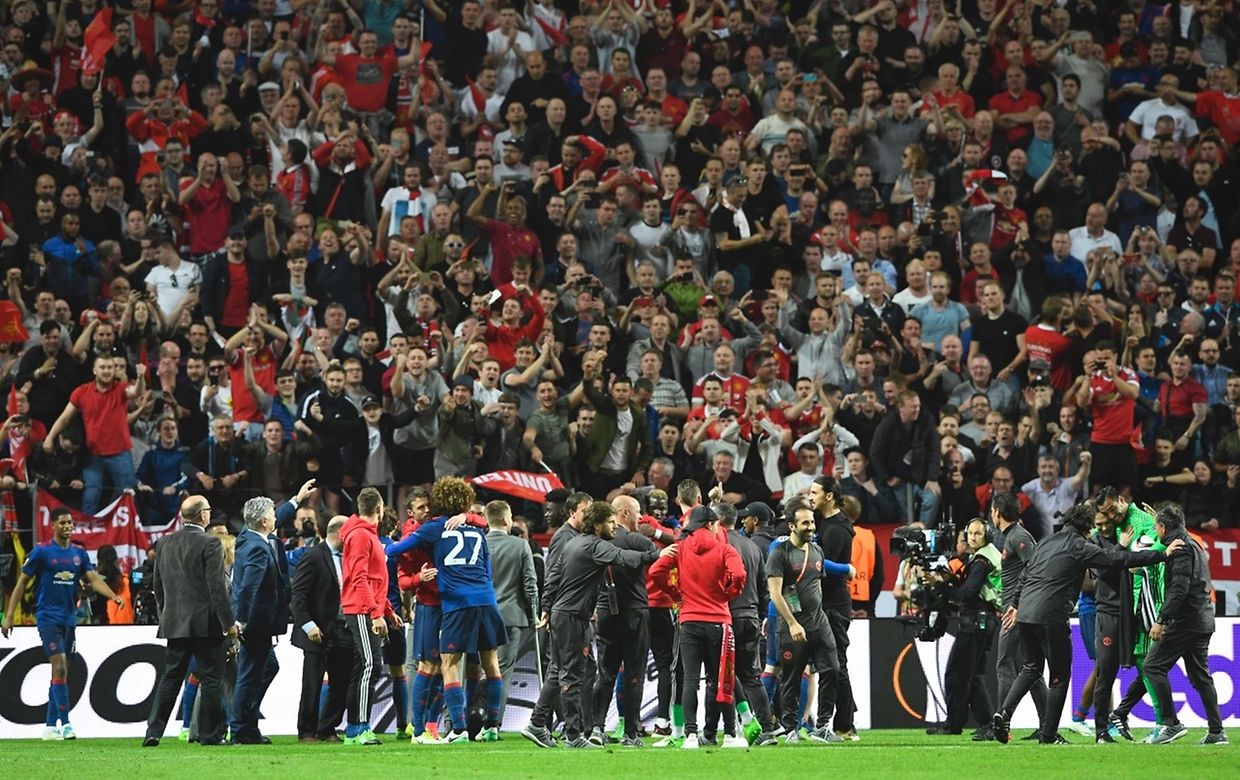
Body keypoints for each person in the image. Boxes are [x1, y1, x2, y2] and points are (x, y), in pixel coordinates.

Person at [992, 503, 1182, 745]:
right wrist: (1161, 554)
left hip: (1027, 613)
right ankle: (1048, 735)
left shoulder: (1047, 541)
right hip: (1051, 615)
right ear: (1088, 527)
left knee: (1030, 667)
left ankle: (1004, 712)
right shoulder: (1079, 546)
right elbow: (1117, 559)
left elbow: (1025, 573)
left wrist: (1016, 604)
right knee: (1059, 676)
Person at [385, 477, 507, 744]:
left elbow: (395, 550)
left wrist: (379, 545)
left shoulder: (433, 529)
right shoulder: (477, 531)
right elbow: (487, 572)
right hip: (486, 601)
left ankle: (459, 729)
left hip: (455, 603)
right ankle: (492, 727)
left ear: (439, 501)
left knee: (448, 664)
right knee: (491, 665)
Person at [2, 507, 124, 740]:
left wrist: (113, 596)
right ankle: (66, 723)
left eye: (70, 523)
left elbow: (93, 579)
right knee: (59, 667)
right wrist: (8, 616)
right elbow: (20, 584)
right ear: (53, 526)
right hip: (47, 617)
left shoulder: (79, 554)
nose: (68, 526)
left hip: (70, 618)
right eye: (63, 523)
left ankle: (49, 726)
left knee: (62, 671)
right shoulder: (42, 552)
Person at [135, 497, 235, 747]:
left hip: (175, 622)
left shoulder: (164, 543)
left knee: (170, 678)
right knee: (211, 679)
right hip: (206, 624)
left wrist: (167, 613)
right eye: (208, 511)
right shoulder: (210, 544)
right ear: (202, 516)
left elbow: (157, 586)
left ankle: (153, 731)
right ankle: (210, 735)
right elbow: (216, 587)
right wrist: (228, 622)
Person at [649, 504, 744, 749]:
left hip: (689, 619)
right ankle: (731, 735)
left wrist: (675, 594)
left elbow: (656, 571)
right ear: (711, 524)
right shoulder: (726, 549)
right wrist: (727, 594)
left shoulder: (679, 549)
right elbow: (739, 575)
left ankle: (690, 735)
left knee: (690, 680)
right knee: (721, 679)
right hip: (719, 621)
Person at [767, 501, 855, 744]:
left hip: (819, 623)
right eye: (805, 522)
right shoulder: (779, 554)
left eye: (812, 522)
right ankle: (790, 728)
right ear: (792, 526)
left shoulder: (817, 551)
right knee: (791, 678)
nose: (811, 527)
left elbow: (815, 587)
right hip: (793, 627)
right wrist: (793, 623)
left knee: (832, 671)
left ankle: (823, 726)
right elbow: (775, 593)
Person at [1144, 504, 1227, 745]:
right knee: (1201, 677)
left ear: (1163, 527)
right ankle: (1216, 732)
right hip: (1202, 619)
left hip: (1186, 621)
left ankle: (1171, 724)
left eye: (1157, 526)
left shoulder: (1179, 548)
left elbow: (1179, 588)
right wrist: (1159, 521)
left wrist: (1162, 620)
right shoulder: (1192, 542)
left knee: (1153, 666)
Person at [42, 355, 145, 514]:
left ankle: (127, 531)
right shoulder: (81, 392)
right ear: (94, 370)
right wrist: (50, 438)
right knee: (90, 497)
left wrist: (141, 377)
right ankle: (87, 534)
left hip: (121, 453)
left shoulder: (120, 388)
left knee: (128, 495)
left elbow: (136, 392)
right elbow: (64, 418)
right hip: (93, 456)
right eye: (102, 367)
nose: (106, 371)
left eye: (110, 368)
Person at [339, 486, 402, 746]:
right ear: (379, 509)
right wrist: (376, 613)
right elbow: (359, 578)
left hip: (369, 607)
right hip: (361, 609)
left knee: (364, 666)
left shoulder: (365, 535)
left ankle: (355, 727)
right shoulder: (362, 537)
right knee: (369, 665)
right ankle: (359, 727)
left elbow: (375, 580)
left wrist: (387, 610)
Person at [927, 518, 1001, 736]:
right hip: (986, 619)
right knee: (973, 675)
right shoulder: (990, 555)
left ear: (986, 535)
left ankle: (956, 724)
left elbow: (967, 594)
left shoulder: (980, 561)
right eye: (970, 533)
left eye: (978, 534)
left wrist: (940, 585)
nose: (972, 537)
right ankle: (986, 724)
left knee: (956, 674)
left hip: (975, 620)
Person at [229, 496, 290, 745]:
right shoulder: (256, 546)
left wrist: (296, 500)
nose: (276, 518)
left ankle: (248, 723)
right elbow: (248, 587)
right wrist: (241, 620)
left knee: (265, 668)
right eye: (273, 514)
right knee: (249, 674)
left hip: (258, 622)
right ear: (264, 521)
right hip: (256, 623)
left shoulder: (249, 538)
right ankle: (241, 728)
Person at [989, 493, 1047, 742]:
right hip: (1018, 612)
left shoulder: (1019, 536)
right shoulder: (1011, 536)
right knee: (1031, 670)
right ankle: (1047, 724)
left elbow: (1035, 568)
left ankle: (1002, 725)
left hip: (1017, 615)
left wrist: (1019, 607)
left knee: (1005, 666)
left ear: (997, 512)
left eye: (992, 510)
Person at [290, 515, 351, 743]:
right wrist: (307, 625)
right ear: (339, 533)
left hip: (342, 628)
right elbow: (298, 595)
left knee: (341, 682)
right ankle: (306, 731)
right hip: (317, 631)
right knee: (312, 683)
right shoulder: (313, 556)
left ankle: (326, 727)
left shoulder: (348, 558)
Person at [810, 475, 860, 740]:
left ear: (829, 496)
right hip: (826, 603)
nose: (811, 496)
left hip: (835, 605)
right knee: (832, 664)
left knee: (836, 663)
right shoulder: (826, 523)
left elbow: (822, 567)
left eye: (815, 492)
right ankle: (845, 718)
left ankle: (844, 725)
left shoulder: (837, 529)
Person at [485, 499, 538, 722]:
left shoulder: (478, 544)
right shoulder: (520, 545)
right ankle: (493, 723)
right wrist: (534, 613)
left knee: (477, 671)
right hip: (510, 616)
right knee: (502, 673)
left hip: (480, 616)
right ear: (507, 520)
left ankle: (465, 721)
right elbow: (530, 584)